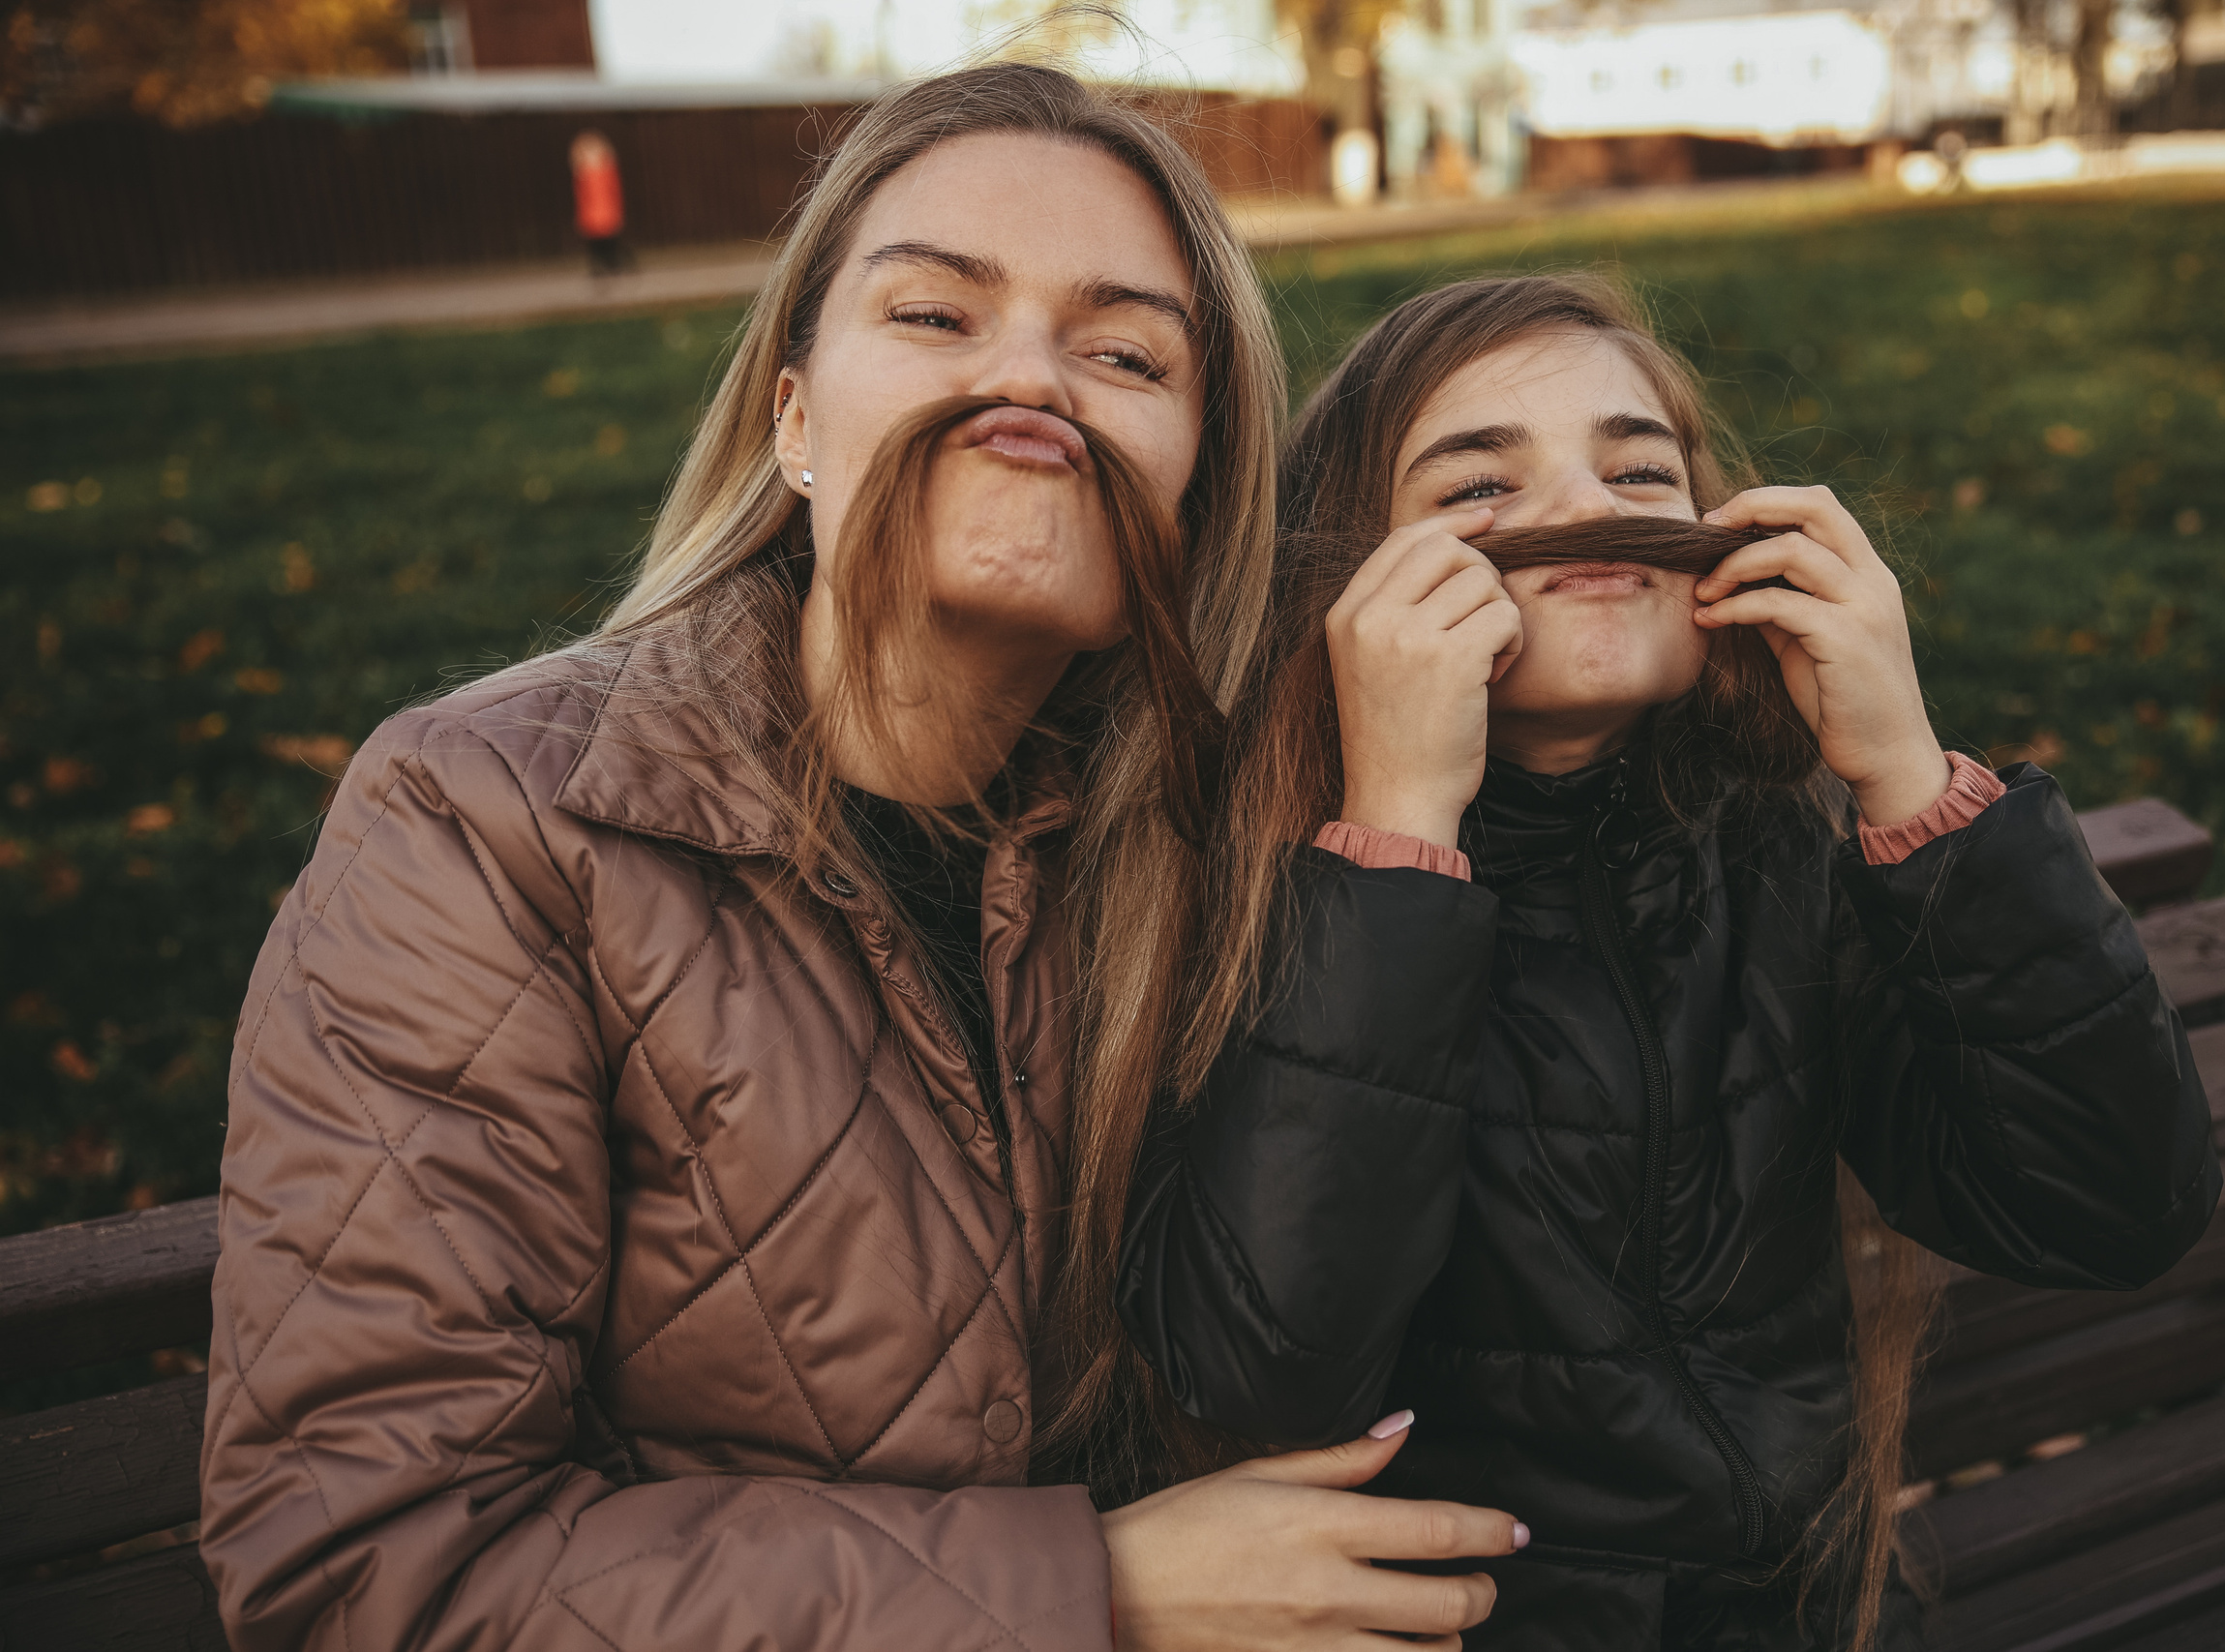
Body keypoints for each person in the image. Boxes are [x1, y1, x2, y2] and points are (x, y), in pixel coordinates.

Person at [201, 66, 1521, 1652]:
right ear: (793, 418)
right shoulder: (490, 826)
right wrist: (1090, 1594)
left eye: (1124, 353)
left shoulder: (1202, 843)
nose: (1032, 380)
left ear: (1192, 481)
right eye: (934, 316)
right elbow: (366, 1569)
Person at [1116, 275, 2222, 1649]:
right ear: (1348, 580)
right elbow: (1267, 1372)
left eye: (1638, 466)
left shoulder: (1775, 849)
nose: (1584, 508)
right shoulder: (1255, 892)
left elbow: (2111, 1203)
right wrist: (1399, 826)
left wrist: (1907, 773)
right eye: (1475, 485)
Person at [569, 130, 630, 275]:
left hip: (607, 214)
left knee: (610, 244)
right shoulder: (582, 176)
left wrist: (617, 213)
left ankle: (614, 265)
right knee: (596, 246)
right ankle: (602, 267)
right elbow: (582, 198)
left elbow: (614, 193)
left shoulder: (607, 172)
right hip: (592, 216)